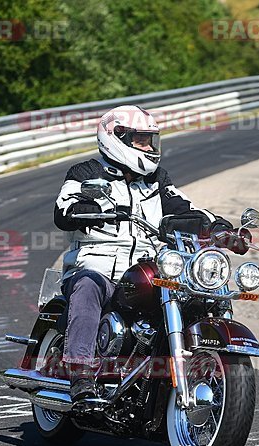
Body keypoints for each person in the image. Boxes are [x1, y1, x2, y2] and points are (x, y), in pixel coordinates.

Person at [53, 105, 239, 403]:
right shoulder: (86, 173)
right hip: (96, 266)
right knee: (87, 287)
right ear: (116, 137)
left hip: (147, 269)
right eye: (141, 140)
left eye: (151, 140)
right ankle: (80, 372)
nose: (149, 147)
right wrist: (95, 209)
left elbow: (185, 208)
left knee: (191, 293)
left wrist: (218, 227)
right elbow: (64, 210)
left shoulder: (156, 180)